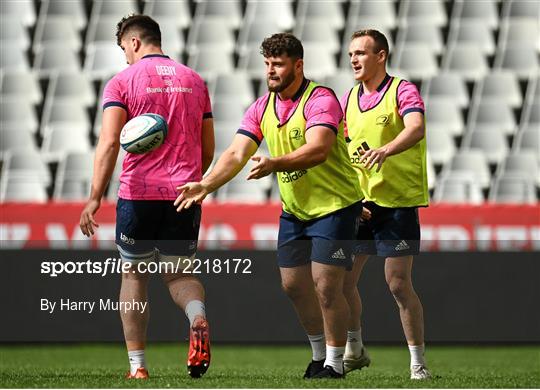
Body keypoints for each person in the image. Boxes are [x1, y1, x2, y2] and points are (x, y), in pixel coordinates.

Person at [175, 33, 363, 379]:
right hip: (296, 210)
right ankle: (319, 355)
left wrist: (275, 164)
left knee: (326, 285)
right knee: (292, 285)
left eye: (278, 64)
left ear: (298, 65)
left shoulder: (320, 99)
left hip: (336, 205)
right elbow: (235, 153)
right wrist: (206, 184)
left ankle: (335, 364)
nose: (271, 71)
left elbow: (319, 148)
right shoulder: (262, 107)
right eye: (267, 64)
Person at [79, 15, 215, 379]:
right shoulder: (194, 80)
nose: (123, 54)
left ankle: (138, 368)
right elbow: (208, 147)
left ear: (135, 42)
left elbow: (109, 143)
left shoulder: (122, 81)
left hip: (138, 193)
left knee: (134, 275)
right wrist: (191, 180)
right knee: (178, 273)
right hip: (184, 193)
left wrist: (95, 198)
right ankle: (197, 316)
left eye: (123, 46)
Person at [340, 29, 432, 380]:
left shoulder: (401, 90)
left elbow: (416, 127)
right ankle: (355, 348)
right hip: (361, 203)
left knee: (396, 283)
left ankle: (417, 363)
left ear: (381, 56)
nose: (354, 59)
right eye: (351, 54)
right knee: (342, 280)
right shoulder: (348, 99)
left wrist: (386, 150)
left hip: (398, 202)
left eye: (361, 53)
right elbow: (345, 149)